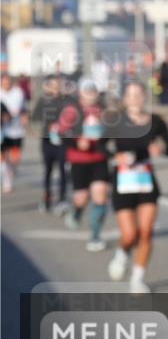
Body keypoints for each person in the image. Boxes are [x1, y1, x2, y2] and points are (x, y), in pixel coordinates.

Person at [106, 81, 168, 293]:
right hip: (123, 181)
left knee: (146, 232)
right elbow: (100, 145)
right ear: (125, 98)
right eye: (131, 94)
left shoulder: (155, 122)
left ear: (145, 97)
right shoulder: (116, 121)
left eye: (139, 95)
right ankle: (121, 254)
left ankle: (137, 278)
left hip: (146, 180)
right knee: (130, 234)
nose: (135, 99)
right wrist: (115, 156)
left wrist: (161, 149)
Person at [56, 79, 111, 251]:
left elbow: (111, 133)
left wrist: (101, 140)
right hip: (78, 160)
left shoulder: (104, 112)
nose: (90, 95)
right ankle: (76, 211)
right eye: (87, 91)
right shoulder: (72, 111)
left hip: (99, 159)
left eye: (93, 91)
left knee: (100, 195)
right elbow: (61, 135)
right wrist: (77, 143)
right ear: (80, 93)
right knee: (81, 198)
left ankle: (95, 236)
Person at [31, 75, 70, 213]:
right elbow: (34, 118)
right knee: (48, 170)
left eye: (58, 85)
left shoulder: (67, 101)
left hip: (63, 141)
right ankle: (47, 197)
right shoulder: (43, 101)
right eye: (53, 85)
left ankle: (62, 199)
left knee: (63, 171)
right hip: (47, 141)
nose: (56, 87)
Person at [0, 73, 27, 193]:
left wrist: (23, 117)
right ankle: (7, 182)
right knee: (3, 158)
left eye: (8, 81)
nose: (6, 84)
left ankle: (10, 171)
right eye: (3, 82)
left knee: (14, 159)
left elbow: (23, 109)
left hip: (16, 131)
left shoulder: (18, 92)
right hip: (2, 131)